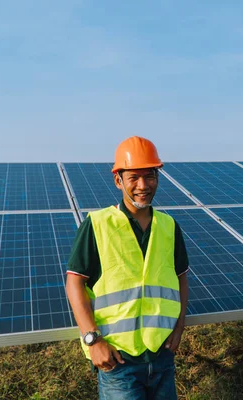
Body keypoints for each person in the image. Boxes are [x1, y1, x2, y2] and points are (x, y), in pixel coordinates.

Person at [66, 136, 189, 400]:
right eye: (134, 177)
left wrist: (179, 328)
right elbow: (74, 282)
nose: (143, 185)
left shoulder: (168, 226)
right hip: (118, 359)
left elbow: (181, 278)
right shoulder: (98, 224)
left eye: (150, 176)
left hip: (162, 353)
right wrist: (93, 341)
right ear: (118, 180)